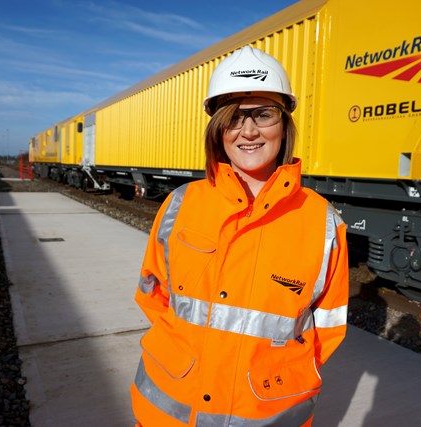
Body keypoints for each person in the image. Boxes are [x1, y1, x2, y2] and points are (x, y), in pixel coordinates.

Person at [130, 45, 349, 427]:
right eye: (234, 117)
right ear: (219, 129)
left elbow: (327, 330)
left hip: (264, 412)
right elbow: (152, 293)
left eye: (263, 114)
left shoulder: (322, 221)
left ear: (284, 126)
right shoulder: (181, 203)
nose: (248, 131)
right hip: (168, 408)